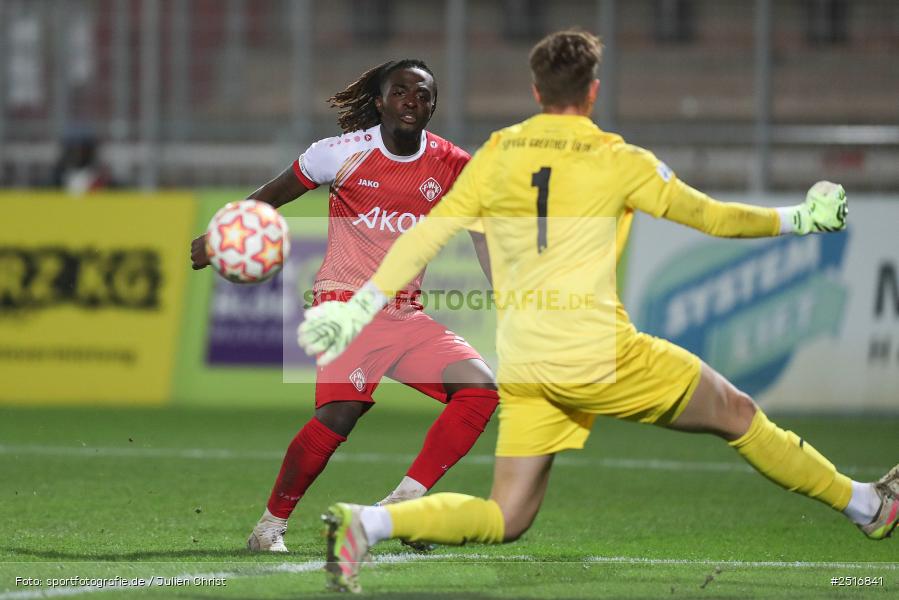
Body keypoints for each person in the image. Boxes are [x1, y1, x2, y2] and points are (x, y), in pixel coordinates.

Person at [297, 30, 899, 593]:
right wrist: (801, 218)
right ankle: (867, 506)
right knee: (738, 415)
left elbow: (423, 241)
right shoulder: (618, 158)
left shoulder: (499, 152)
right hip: (598, 350)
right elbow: (713, 218)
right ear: (593, 90)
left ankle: (369, 525)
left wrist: (359, 310)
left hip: (529, 358)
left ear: (536, 91)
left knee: (506, 516)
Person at [190, 59, 499, 553]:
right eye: (400, 92)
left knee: (480, 389)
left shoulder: (454, 165)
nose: (411, 102)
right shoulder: (338, 154)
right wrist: (219, 237)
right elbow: (271, 196)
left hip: (405, 313)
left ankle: (401, 504)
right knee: (340, 416)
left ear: (432, 106)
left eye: (422, 95)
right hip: (345, 306)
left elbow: (483, 228)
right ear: (379, 101)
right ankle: (270, 527)